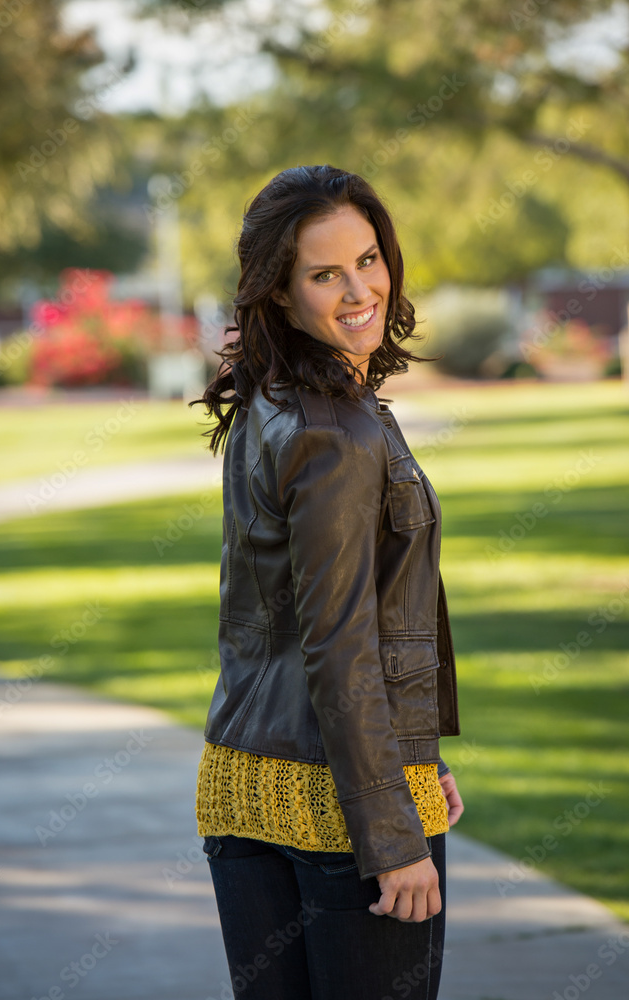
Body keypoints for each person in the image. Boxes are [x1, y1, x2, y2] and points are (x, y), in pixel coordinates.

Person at [192, 164, 464, 1000]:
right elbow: (340, 644)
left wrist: (413, 756)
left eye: (368, 259)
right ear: (278, 292)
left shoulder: (269, 400)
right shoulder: (335, 431)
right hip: (344, 817)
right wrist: (392, 830)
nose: (359, 290)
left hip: (243, 785)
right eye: (324, 274)